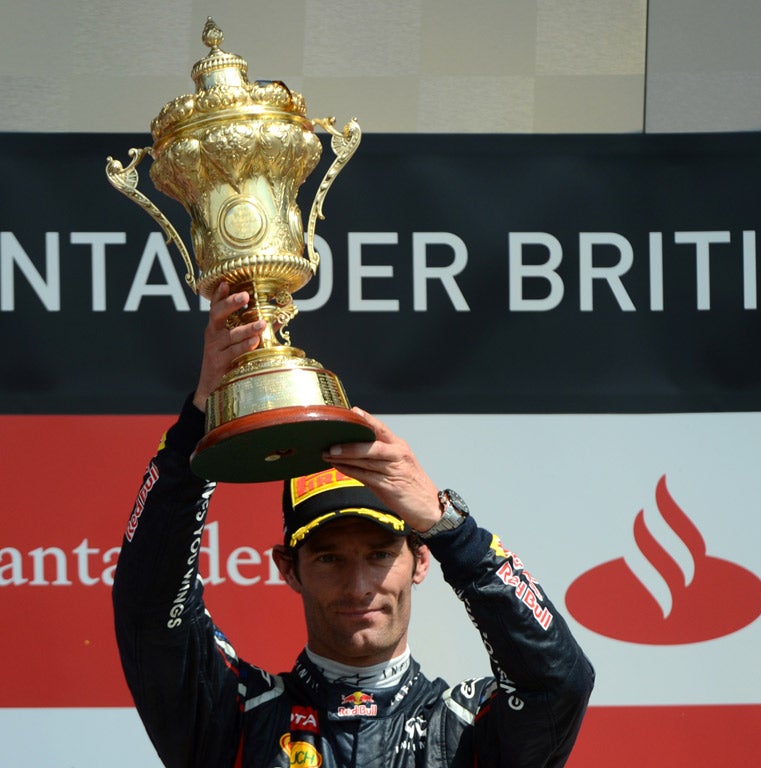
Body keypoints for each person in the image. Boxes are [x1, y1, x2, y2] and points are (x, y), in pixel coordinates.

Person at [112, 282, 595, 767]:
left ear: (420, 559)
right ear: (289, 568)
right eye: (329, 558)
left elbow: (559, 682)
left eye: (380, 554)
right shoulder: (235, 716)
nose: (359, 585)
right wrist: (201, 421)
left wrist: (451, 529)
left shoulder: (464, 729)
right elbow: (150, 613)